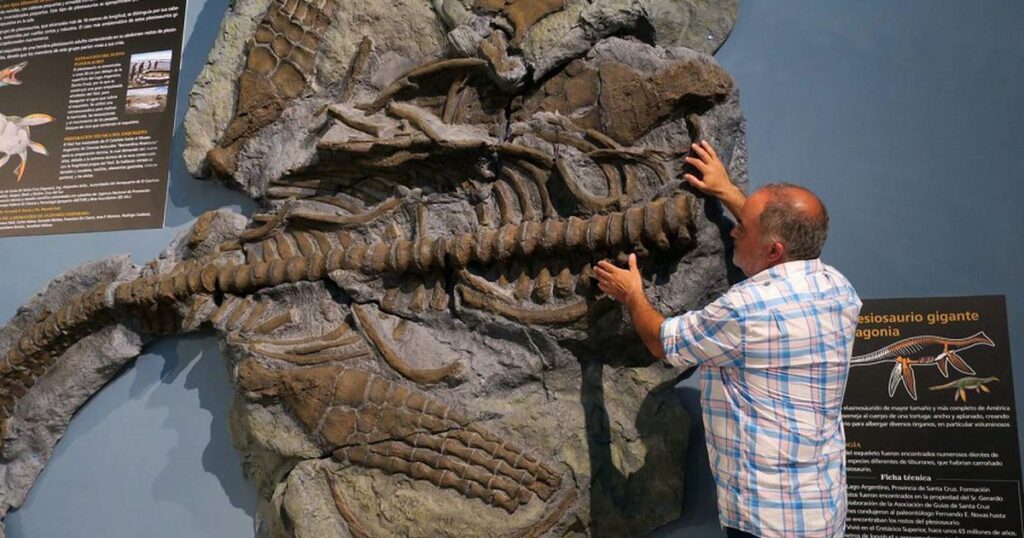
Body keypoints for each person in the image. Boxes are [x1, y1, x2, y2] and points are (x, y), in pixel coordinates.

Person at [593, 141, 861, 538]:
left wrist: (633, 294)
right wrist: (728, 191)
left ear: (774, 250)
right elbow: (779, 239)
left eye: (743, 227)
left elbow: (664, 342)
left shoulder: (745, 310)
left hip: (766, 522)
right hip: (819, 509)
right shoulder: (837, 288)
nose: (734, 230)